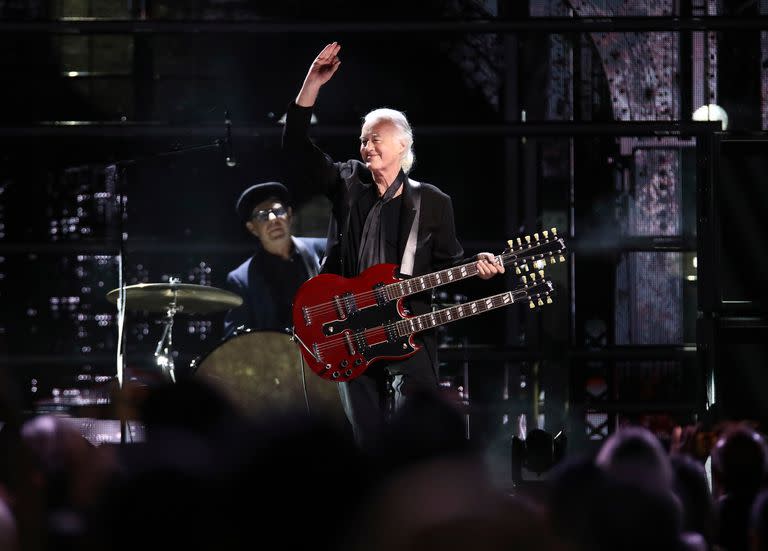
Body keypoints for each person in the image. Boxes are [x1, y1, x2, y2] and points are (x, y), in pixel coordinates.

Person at [281, 41, 504, 450]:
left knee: (415, 437)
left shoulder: (432, 202)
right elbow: (296, 147)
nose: (365, 146)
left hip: (408, 329)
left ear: (403, 145)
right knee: (366, 439)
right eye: (363, 140)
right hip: (352, 329)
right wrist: (312, 83)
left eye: (375, 139)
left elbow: (452, 264)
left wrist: (483, 268)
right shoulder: (348, 182)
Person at [222, 181, 325, 337]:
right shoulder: (241, 279)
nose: (272, 219)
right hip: (279, 358)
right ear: (252, 228)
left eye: (277, 211)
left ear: (289, 215)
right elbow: (235, 343)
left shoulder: (325, 249)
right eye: (262, 215)